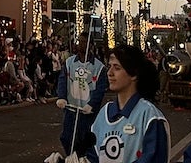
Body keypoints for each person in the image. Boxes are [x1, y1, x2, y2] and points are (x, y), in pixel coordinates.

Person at [92, 44, 168, 163]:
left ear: (134, 74)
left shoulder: (150, 116)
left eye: (117, 68)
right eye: (109, 66)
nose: (110, 73)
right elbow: (93, 155)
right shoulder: (104, 114)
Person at [53, 34, 107, 163]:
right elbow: (62, 80)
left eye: (85, 42)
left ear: (91, 45)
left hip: (86, 112)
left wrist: (92, 105)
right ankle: (73, 157)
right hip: (71, 109)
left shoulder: (99, 67)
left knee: (85, 139)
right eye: (80, 42)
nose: (81, 44)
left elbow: (100, 89)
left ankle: (83, 158)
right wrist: (61, 97)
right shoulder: (69, 63)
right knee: (67, 137)